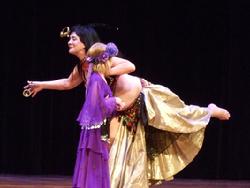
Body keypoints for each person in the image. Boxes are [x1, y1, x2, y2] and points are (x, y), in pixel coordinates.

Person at [72, 42, 124, 188]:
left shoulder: (99, 78)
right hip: (94, 132)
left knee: (97, 163)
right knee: (94, 163)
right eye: (110, 59)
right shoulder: (96, 79)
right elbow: (96, 108)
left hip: (99, 128)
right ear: (105, 60)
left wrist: (113, 102)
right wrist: (115, 100)